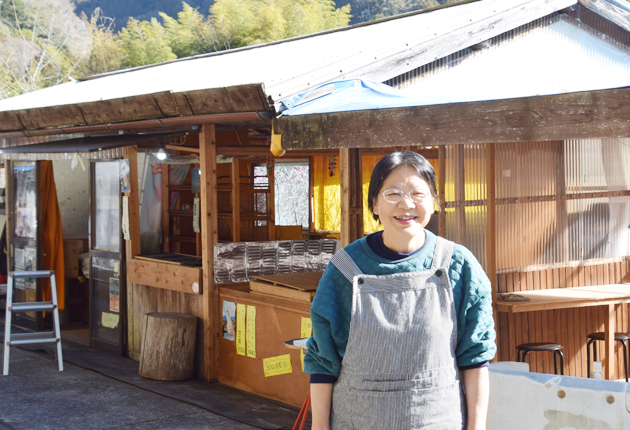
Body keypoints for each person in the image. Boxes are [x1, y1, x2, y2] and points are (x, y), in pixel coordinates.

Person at [304, 151, 496, 430]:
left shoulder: (459, 266)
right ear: (375, 204)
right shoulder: (345, 269)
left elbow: (476, 357)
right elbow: (323, 360)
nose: (406, 204)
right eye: (393, 194)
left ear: (434, 202)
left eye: (418, 194)